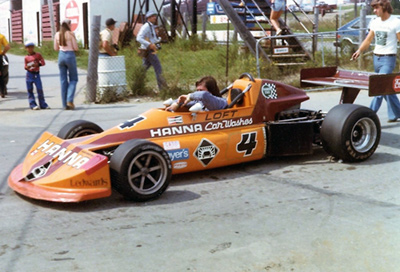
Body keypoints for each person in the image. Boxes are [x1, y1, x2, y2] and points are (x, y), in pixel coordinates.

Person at [352, 0, 400, 122]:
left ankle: (368, 115)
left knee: (378, 87)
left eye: (376, 8)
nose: (374, 11)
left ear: (384, 8)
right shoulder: (374, 22)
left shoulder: (395, 22)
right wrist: (359, 50)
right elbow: (368, 40)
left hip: (388, 59)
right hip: (376, 58)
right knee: (386, 88)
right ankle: (397, 113)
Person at [136, 10, 167, 91]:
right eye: (152, 16)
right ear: (148, 18)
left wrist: (158, 40)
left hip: (149, 50)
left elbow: (152, 38)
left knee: (144, 68)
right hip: (149, 50)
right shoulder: (146, 26)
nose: (155, 17)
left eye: (155, 16)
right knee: (158, 68)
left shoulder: (151, 26)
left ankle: (137, 84)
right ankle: (163, 88)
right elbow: (139, 37)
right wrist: (149, 44)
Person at [54, 19, 79, 110]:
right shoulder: (70, 34)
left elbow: (55, 48)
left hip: (61, 55)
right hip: (70, 55)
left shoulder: (57, 34)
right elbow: (75, 47)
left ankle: (64, 104)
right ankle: (69, 99)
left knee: (63, 81)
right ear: (68, 25)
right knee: (73, 79)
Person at [24, 41, 50, 110]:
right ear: (26, 48)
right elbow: (25, 66)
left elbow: (43, 63)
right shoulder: (26, 57)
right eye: (28, 48)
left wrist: (37, 64)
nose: (30, 49)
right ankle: (32, 104)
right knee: (30, 90)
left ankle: (43, 104)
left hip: (36, 74)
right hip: (29, 74)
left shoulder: (38, 55)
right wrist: (27, 67)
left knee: (39, 89)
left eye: (31, 47)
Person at [0, 32, 10, 98]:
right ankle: (2, 91)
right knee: (3, 74)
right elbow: (7, 46)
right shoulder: (1, 36)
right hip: (0, 57)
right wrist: (3, 53)